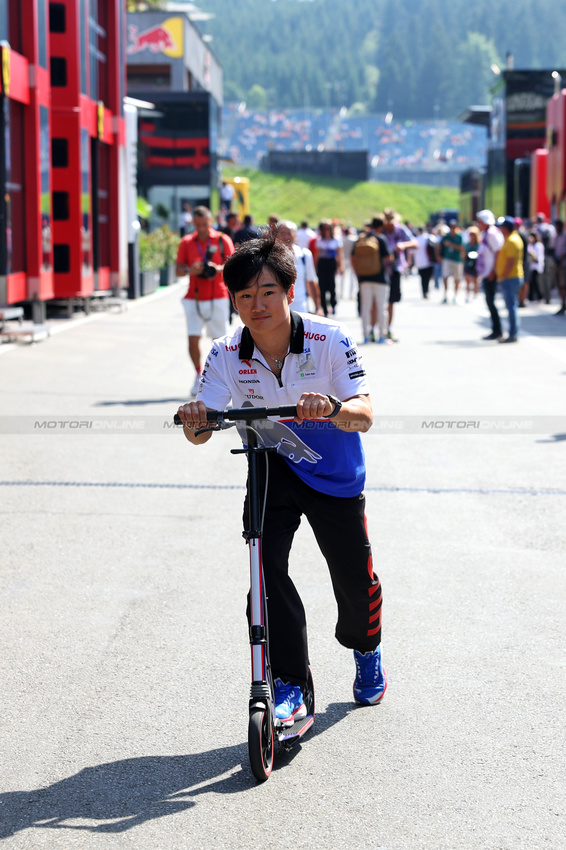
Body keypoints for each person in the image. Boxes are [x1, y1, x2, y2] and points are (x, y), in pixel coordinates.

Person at [176, 230, 386, 720]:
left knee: (354, 581)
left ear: (290, 292)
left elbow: (366, 413)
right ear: (232, 301)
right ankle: (291, 682)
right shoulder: (226, 353)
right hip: (270, 466)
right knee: (264, 574)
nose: (257, 305)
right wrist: (194, 420)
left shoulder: (329, 338)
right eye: (245, 296)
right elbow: (202, 430)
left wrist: (332, 407)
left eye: (267, 292)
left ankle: (367, 648)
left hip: (332, 471)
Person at [175, 206, 235, 395]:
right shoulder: (186, 242)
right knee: (193, 338)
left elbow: (233, 267)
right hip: (194, 296)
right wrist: (189, 271)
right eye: (198, 224)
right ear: (193, 223)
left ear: (211, 221)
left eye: (204, 224)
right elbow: (178, 270)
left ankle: (219, 378)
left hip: (217, 294)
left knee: (220, 341)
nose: (201, 228)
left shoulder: (221, 239)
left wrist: (215, 269)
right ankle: (198, 374)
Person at [351, 216, 393, 343]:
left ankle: (366, 335)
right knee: (381, 307)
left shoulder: (361, 238)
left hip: (364, 278)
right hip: (380, 278)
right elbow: (388, 258)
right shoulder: (381, 239)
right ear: (381, 227)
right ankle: (382, 335)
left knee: (366, 308)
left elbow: (353, 257)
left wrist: (358, 273)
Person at [382, 209, 417, 341]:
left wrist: (402, 245)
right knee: (380, 300)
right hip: (381, 268)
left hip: (395, 268)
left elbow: (415, 243)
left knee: (391, 300)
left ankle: (388, 328)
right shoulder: (381, 230)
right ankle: (378, 328)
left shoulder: (400, 230)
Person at [276, 219, 323, 315]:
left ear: (295, 235)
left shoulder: (304, 255)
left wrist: (318, 307)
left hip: (300, 307)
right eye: (282, 233)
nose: (286, 237)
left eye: (289, 233)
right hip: (278, 306)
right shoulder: (271, 255)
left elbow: (311, 281)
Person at [475, 209, 504, 341]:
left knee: (491, 302)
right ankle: (495, 329)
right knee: (489, 301)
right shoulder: (487, 233)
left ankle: (497, 330)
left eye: (480, 221)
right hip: (487, 272)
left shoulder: (492, 233)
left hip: (491, 273)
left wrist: (493, 271)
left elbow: (498, 252)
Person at [495, 216, 524, 343]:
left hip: (511, 277)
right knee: (512, 306)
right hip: (512, 277)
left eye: (502, 227)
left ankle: (513, 333)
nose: (500, 229)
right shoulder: (511, 238)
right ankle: (513, 332)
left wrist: (503, 275)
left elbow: (511, 261)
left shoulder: (512, 240)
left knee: (511, 307)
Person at [315, 219, 344, 317]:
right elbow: (317, 255)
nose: (326, 230)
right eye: (324, 228)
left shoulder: (336, 240)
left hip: (331, 264)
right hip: (322, 264)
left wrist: (340, 266)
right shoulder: (319, 240)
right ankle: (324, 307)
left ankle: (333, 304)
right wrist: (315, 266)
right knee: (322, 286)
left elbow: (339, 254)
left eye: (328, 228)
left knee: (331, 285)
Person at [437, 219, 464, 304]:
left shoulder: (459, 237)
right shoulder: (446, 236)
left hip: (456, 259)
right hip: (447, 259)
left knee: (457, 279)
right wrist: (438, 256)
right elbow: (439, 245)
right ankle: (445, 295)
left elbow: (461, 248)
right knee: (445, 277)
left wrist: (451, 245)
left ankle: (455, 296)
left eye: (454, 227)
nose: (452, 228)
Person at [414, 226, 435, 299]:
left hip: (419, 262)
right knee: (428, 278)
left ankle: (424, 292)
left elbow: (412, 252)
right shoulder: (429, 237)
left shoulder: (416, 239)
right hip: (429, 261)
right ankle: (426, 291)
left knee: (422, 278)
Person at [463, 226, 480, 301]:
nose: (471, 236)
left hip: (475, 263)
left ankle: (475, 295)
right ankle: (467, 295)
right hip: (468, 263)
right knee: (467, 280)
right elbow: (464, 254)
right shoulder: (467, 245)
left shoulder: (479, 245)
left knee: (475, 280)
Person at [526, 232, 544, 303]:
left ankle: (540, 297)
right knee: (531, 282)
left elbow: (538, 256)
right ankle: (531, 297)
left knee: (536, 282)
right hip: (531, 266)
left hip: (537, 266)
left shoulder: (539, 245)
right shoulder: (530, 245)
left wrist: (533, 256)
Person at [553, 219, 566, 315]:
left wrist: (560, 258)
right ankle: (563, 303)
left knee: (563, 285)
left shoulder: (564, 236)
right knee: (559, 285)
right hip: (557, 264)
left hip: (563, 264)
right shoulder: (556, 237)